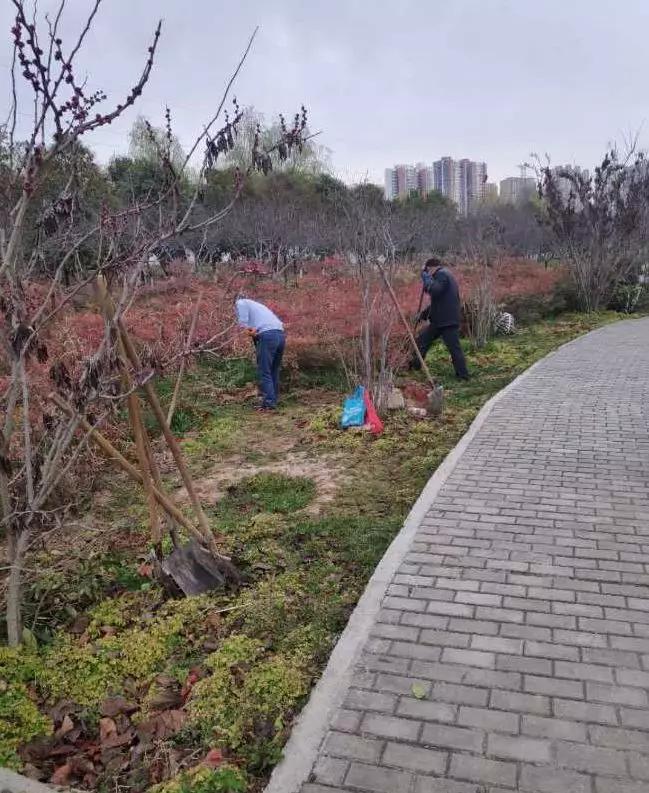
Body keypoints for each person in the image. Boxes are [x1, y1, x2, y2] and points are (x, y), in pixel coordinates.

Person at [412, 257, 470, 380]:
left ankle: (463, 376)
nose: (428, 275)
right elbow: (438, 303)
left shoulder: (442, 274)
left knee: (454, 348)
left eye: (427, 272)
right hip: (441, 320)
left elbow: (434, 291)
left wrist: (427, 279)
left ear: (431, 268)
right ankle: (414, 366)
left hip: (447, 321)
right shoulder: (444, 275)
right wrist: (422, 315)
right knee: (422, 340)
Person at [235, 296, 286, 410]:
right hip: (280, 334)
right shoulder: (259, 306)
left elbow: (244, 325)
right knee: (273, 369)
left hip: (267, 335)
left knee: (264, 370)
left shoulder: (241, 302)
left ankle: (268, 403)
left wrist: (244, 328)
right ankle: (273, 400)